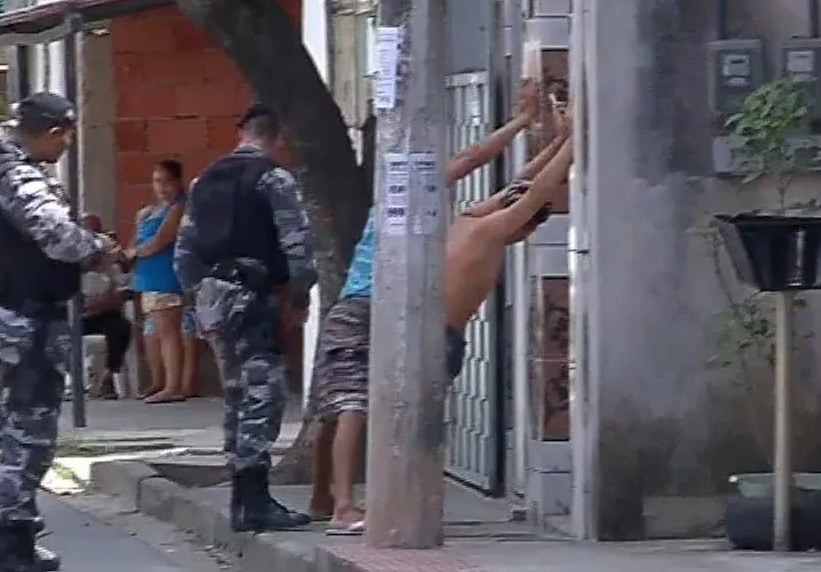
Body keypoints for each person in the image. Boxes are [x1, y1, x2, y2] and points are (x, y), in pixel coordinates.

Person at [309, 78, 554, 532]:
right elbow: (476, 162)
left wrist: (546, 134)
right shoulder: (408, 201)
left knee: (340, 403)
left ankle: (326, 496)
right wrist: (528, 124)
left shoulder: (434, 215)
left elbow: (516, 190)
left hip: (365, 307)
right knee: (352, 404)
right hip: (369, 306)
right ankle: (342, 506)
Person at [0, 91, 117, 572]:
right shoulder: (18, 174)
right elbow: (58, 239)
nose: (69, 144)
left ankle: (9, 546)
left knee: (16, 434)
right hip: (23, 320)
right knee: (27, 439)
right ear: (54, 131)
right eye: (67, 134)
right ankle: (10, 558)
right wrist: (101, 250)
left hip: (16, 315)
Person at [175, 104, 318, 533]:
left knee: (236, 393)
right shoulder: (274, 178)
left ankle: (243, 496)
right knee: (265, 392)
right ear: (276, 138)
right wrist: (300, 294)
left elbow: (185, 248)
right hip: (253, 297)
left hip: (213, 297)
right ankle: (253, 498)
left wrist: (196, 298)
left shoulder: (204, 180)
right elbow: (298, 244)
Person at [130, 158, 189, 402]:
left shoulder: (178, 208)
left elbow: (162, 239)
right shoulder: (147, 212)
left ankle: (173, 386)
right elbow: (135, 241)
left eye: (167, 181)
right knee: (151, 333)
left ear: (177, 182)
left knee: (168, 331)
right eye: (157, 181)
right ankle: (158, 381)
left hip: (166, 276)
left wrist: (134, 253)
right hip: (146, 278)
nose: (162, 187)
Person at [81, 213, 134, 399]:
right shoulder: (68, 260)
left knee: (120, 328)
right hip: (76, 315)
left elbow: (126, 288)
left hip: (104, 313)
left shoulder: (110, 261)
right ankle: (74, 381)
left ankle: (108, 377)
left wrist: (108, 302)